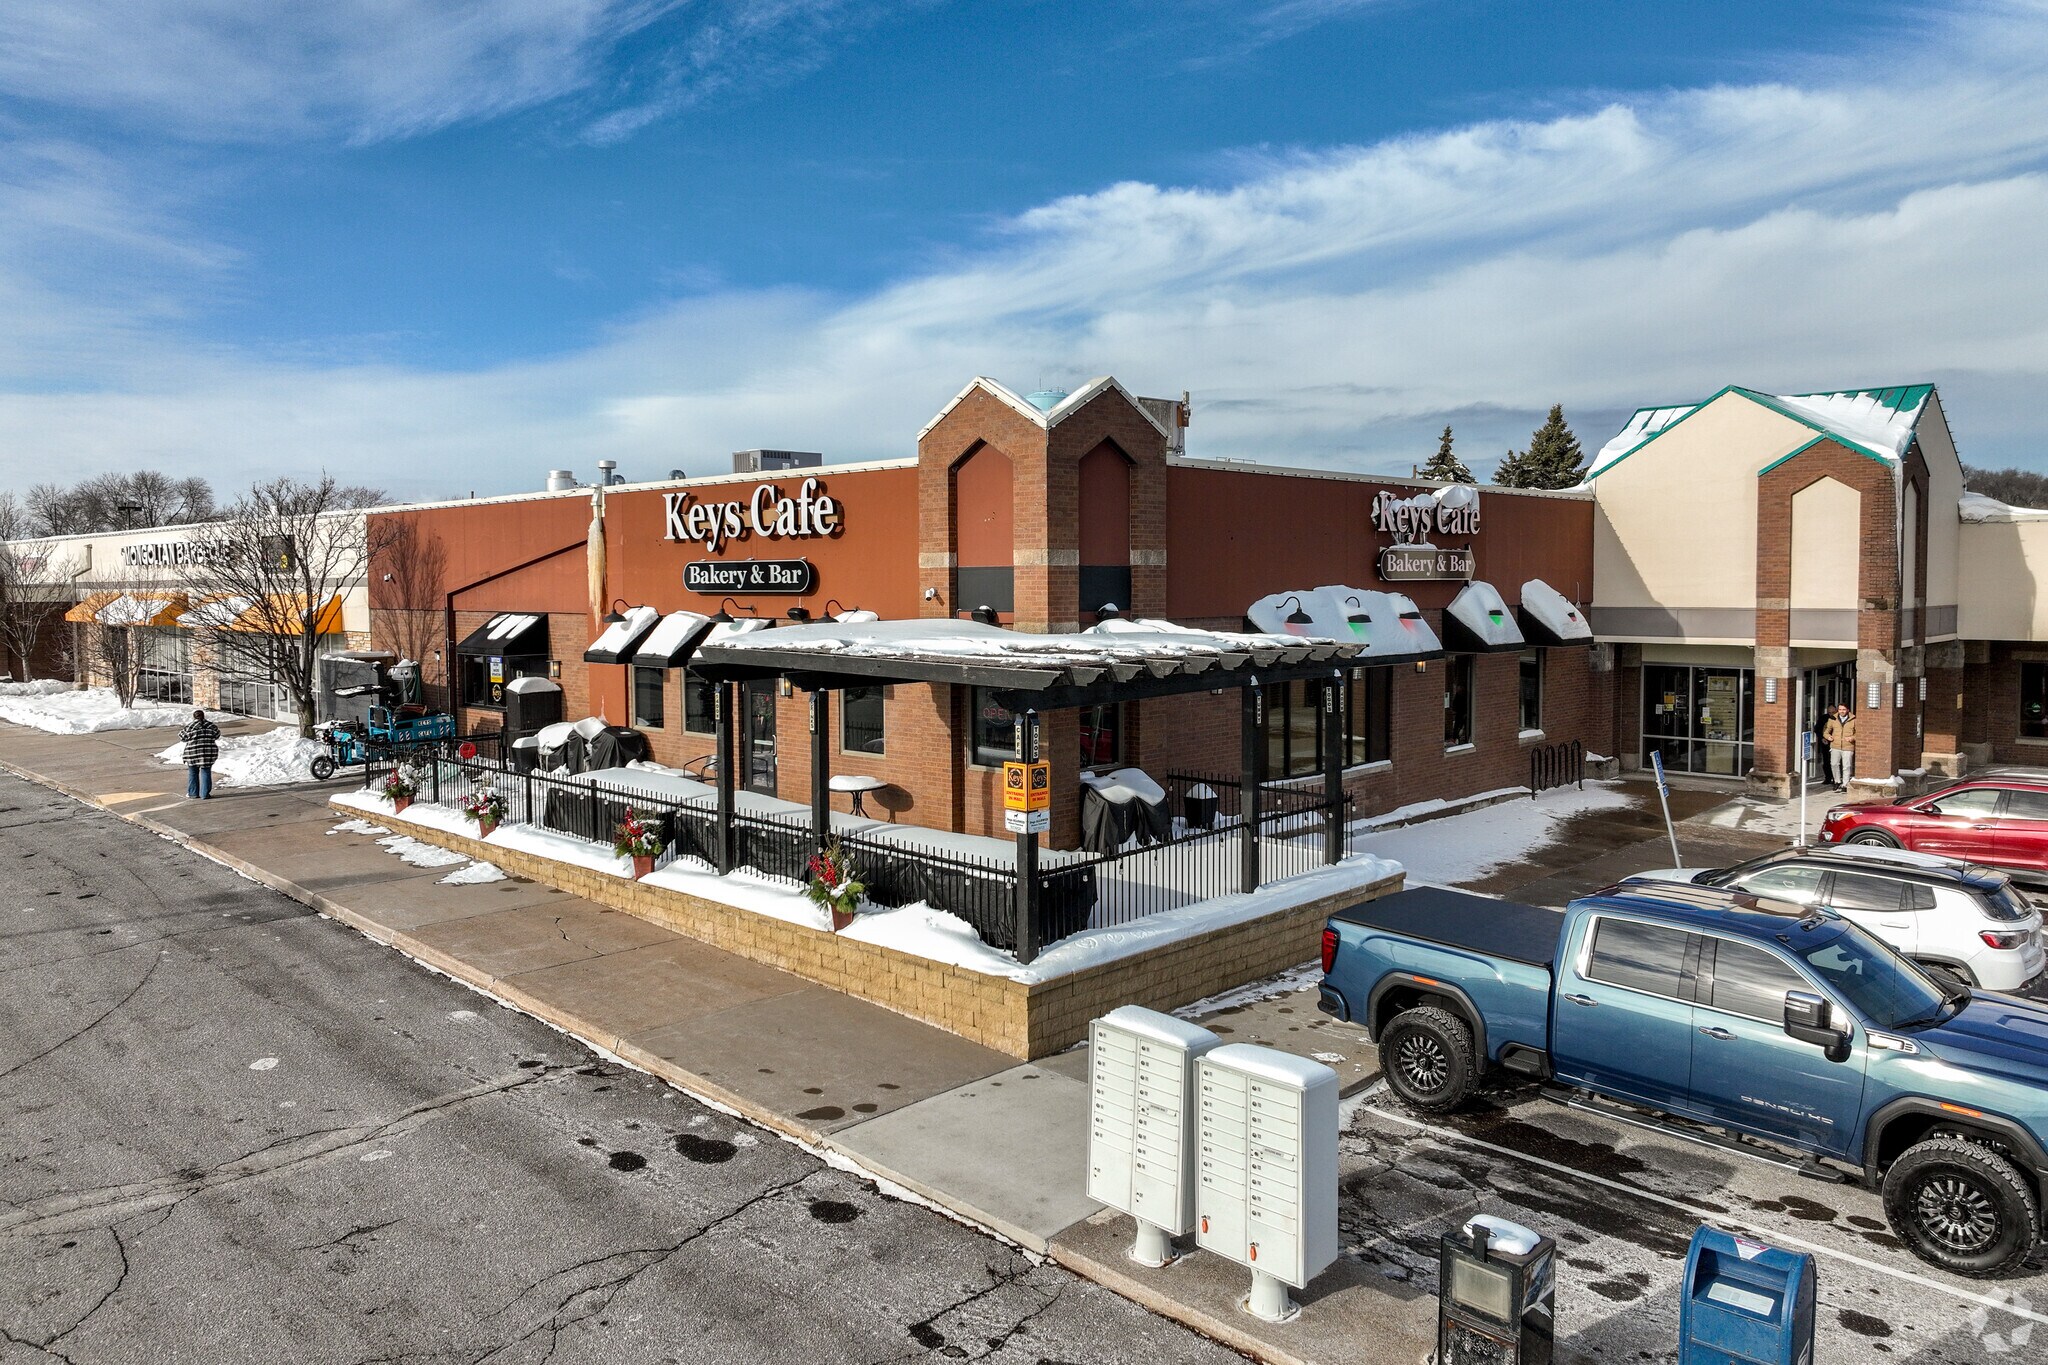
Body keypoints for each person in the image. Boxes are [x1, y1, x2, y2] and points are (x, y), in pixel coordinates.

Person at [180, 708, 220, 800]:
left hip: (192, 753)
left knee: (193, 773)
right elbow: (217, 735)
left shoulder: (190, 726)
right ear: (204, 716)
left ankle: (193, 793)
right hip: (208, 753)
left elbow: (182, 737)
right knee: (206, 771)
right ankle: (205, 794)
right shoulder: (211, 726)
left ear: (194, 717)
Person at [1822, 702, 1855, 790]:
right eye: (1840, 709)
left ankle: (1845, 784)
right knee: (1834, 764)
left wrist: (1852, 738)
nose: (1842, 711)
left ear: (1847, 710)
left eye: (1844, 709)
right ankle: (1837, 781)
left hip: (1848, 746)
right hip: (1835, 745)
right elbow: (1826, 731)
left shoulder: (1854, 719)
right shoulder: (1833, 719)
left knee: (1846, 766)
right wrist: (1828, 736)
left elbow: (1858, 733)